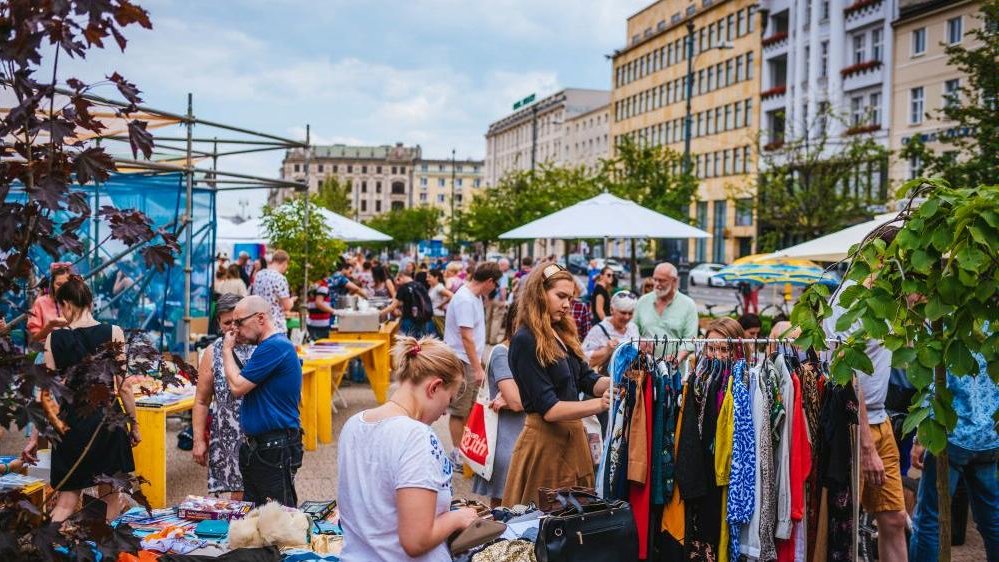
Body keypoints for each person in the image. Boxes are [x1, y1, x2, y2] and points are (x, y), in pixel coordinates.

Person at [337, 337, 478, 561]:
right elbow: (416, 540)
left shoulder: (354, 425)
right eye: (448, 400)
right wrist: (458, 518)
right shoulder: (416, 436)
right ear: (434, 387)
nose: (444, 413)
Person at [21, 275, 140, 522]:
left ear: (66, 304)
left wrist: (35, 437)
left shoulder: (55, 337)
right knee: (109, 495)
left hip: (70, 423)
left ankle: (47, 551)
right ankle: (103, 551)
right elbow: (124, 387)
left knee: (65, 501)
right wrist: (134, 425)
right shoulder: (113, 331)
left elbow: (47, 393)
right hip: (107, 420)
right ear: (90, 302)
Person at [824, 228, 908, 562]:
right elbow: (845, 375)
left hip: (880, 418)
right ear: (881, 256)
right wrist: (866, 446)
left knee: (895, 518)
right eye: (899, 256)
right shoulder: (852, 298)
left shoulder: (890, 298)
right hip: (854, 426)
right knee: (844, 524)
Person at [502, 262, 611, 506]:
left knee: (574, 523)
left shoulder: (560, 332)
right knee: (546, 525)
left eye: (570, 299)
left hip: (573, 441)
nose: (566, 305)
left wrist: (618, 381)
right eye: (560, 296)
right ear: (539, 294)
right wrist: (600, 404)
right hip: (545, 445)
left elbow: (587, 380)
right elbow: (549, 409)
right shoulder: (525, 339)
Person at [908, 352, 999, 561]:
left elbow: (934, 382)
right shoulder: (991, 321)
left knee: (929, 520)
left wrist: (920, 438)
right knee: (993, 520)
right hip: (989, 436)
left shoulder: (945, 322)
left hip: (951, 436)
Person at [221, 295, 303, 506]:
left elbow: (237, 387)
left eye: (239, 322)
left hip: (273, 447)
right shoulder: (270, 347)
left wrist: (227, 350)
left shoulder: (274, 347)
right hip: (262, 447)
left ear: (260, 318)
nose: (235, 329)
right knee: (258, 517)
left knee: (278, 521)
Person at [192, 293, 256, 500]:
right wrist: (198, 440)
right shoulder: (213, 352)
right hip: (229, 435)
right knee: (238, 497)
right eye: (227, 322)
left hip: (259, 433)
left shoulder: (262, 346)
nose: (233, 328)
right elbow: (202, 400)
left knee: (265, 494)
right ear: (218, 323)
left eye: (237, 321)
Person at [443, 261, 501, 466]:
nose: (494, 290)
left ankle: (464, 450)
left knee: (469, 407)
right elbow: (466, 337)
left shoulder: (474, 297)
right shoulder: (466, 299)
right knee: (460, 409)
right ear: (489, 281)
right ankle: (457, 454)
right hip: (462, 360)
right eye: (495, 285)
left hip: (470, 359)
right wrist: (477, 369)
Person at [471, 301, 525, 507]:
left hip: (518, 436)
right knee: (503, 507)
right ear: (513, 322)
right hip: (506, 438)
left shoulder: (531, 352)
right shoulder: (503, 352)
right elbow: (517, 402)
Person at [633, 262, 699, 361]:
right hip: (644, 368)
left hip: (674, 371)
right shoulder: (643, 301)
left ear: (675, 281)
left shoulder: (688, 305)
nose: (657, 284)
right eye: (655, 279)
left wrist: (676, 358)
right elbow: (632, 330)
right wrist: (639, 342)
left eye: (662, 280)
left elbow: (690, 341)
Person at [582, 291, 640, 375]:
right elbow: (583, 358)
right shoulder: (598, 330)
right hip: (606, 381)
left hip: (630, 380)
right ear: (611, 310)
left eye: (630, 313)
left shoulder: (633, 328)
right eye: (623, 312)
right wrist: (605, 351)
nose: (627, 317)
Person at [250, 249, 295, 333]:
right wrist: (292, 300)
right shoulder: (279, 278)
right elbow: (287, 306)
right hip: (275, 326)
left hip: (260, 324)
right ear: (284, 262)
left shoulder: (259, 275)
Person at [381, 270, 437, 338]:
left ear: (401, 277)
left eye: (398, 279)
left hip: (408, 321)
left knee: (407, 344)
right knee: (421, 343)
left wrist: (379, 313)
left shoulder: (403, 288)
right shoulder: (420, 285)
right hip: (423, 320)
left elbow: (393, 306)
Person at [27, 262, 72, 343]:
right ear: (52, 285)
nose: (62, 288)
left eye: (66, 284)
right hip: (48, 350)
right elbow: (35, 337)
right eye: (59, 284)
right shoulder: (40, 302)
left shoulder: (76, 301)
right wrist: (50, 326)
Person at [426, 269, 452, 336]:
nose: (427, 279)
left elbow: (451, 295)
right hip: (433, 316)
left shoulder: (439, 287)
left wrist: (441, 305)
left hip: (437, 317)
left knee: (438, 337)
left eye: (429, 277)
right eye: (427, 277)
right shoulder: (433, 287)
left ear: (436, 277)